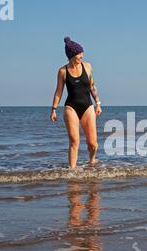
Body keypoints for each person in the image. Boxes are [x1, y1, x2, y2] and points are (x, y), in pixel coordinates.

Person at [50, 37, 102, 168]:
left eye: (82, 53)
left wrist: (98, 103)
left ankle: (92, 160)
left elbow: (92, 86)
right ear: (72, 55)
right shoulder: (63, 71)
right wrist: (54, 109)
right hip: (71, 107)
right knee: (74, 141)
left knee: (93, 143)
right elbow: (58, 92)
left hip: (87, 106)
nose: (82, 56)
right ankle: (72, 170)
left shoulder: (88, 66)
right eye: (79, 53)